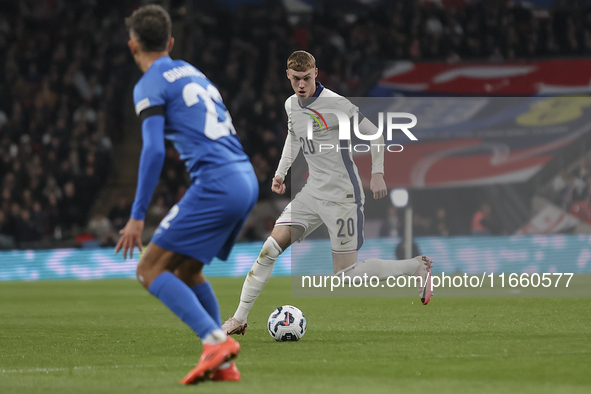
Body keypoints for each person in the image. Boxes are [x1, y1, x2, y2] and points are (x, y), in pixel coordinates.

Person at [222, 51, 434, 336]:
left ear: (316, 74)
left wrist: (378, 173)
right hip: (312, 192)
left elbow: (375, 135)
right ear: (288, 75)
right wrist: (281, 173)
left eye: (306, 78)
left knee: (346, 276)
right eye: (296, 79)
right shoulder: (291, 105)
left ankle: (416, 266)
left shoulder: (337, 104)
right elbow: (294, 138)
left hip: (343, 196)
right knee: (269, 249)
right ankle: (239, 319)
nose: (301, 84)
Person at [114, 5, 258, 385]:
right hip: (245, 178)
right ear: (171, 42)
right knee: (187, 269)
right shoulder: (193, 71)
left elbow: (155, 150)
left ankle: (214, 342)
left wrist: (137, 215)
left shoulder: (148, 84)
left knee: (148, 270)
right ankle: (224, 360)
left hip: (217, 182)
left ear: (132, 46)